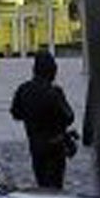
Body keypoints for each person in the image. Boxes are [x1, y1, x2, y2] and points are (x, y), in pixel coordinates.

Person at [10, 49, 76, 188]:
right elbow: (69, 117)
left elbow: (16, 113)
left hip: (36, 144)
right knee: (56, 183)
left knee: (42, 181)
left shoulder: (24, 89)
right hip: (54, 146)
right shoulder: (54, 92)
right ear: (52, 71)